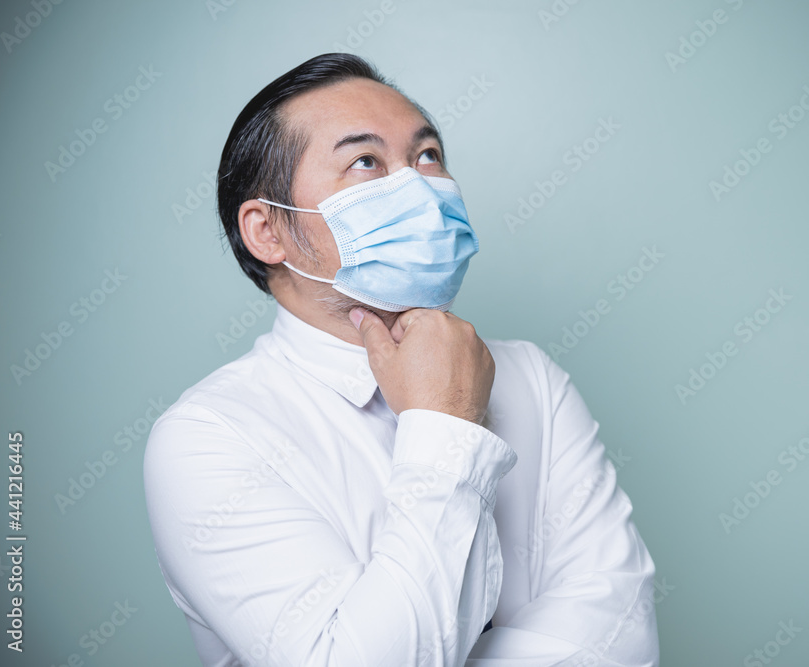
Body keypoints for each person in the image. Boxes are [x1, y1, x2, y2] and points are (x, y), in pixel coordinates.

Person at [143, 52, 659, 666]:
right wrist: (447, 423)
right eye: (365, 162)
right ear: (267, 232)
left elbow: (618, 633)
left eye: (427, 155)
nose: (417, 185)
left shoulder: (532, 378)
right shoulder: (210, 439)